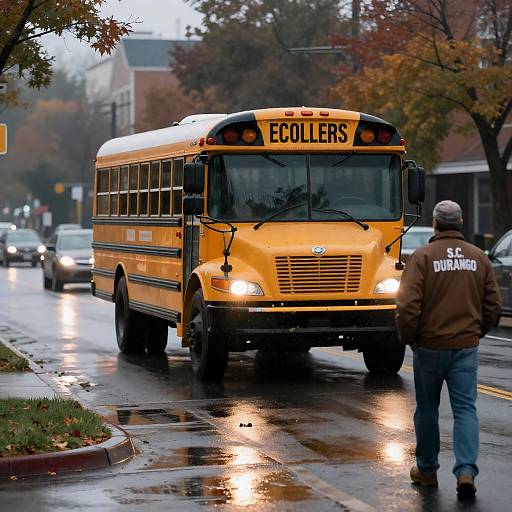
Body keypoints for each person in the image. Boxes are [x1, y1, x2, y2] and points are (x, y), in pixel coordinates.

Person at [396, 200, 501, 499]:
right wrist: (476, 332)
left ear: (436, 224)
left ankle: (427, 470)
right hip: (465, 347)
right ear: (461, 224)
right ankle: (466, 471)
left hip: (428, 347)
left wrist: (410, 338)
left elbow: (406, 305)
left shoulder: (423, 257)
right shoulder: (478, 258)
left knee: (427, 410)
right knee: (465, 409)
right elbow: (493, 305)